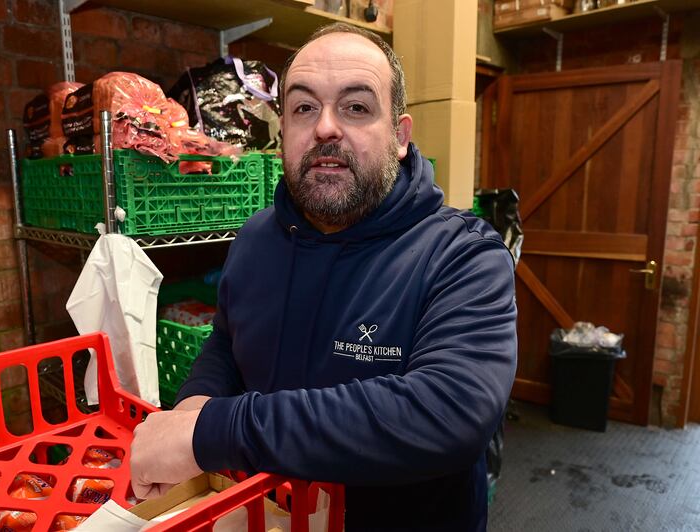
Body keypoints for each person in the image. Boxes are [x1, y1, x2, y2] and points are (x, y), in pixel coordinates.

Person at [131, 22, 517, 531]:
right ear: (284, 131)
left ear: (400, 137)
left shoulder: (462, 255)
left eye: (356, 107)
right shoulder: (255, 240)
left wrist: (208, 432)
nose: (326, 128)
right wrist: (198, 402)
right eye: (304, 108)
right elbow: (229, 343)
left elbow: (448, 411)